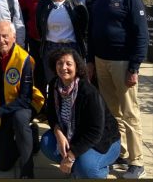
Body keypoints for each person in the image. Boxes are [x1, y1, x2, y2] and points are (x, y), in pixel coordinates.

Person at [89, 0, 148, 179]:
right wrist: (91, 60)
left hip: (123, 63)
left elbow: (141, 34)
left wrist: (134, 67)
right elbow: (93, 31)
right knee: (113, 113)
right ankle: (120, 152)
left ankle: (137, 160)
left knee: (130, 112)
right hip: (101, 62)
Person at [0, 20, 44, 179]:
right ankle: (29, 137)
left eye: (5, 36)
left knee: (20, 119)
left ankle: (27, 171)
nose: (1, 40)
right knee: (2, 165)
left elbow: (25, 99)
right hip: (2, 109)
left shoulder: (24, 58)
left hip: (25, 105)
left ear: (14, 37)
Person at [40, 48, 120, 178]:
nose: (63, 67)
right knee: (47, 143)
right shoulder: (55, 85)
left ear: (77, 66)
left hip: (104, 142)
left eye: (69, 64)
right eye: (59, 63)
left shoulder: (88, 92)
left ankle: (98, 170)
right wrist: (58, 133)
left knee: (86, 169)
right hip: (76, 136)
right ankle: (78, 168)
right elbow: (51, 114)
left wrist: (70, 156)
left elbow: (95, 132)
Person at [36, 0, 88, 85]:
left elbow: (84, 30)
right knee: (53, 83)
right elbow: (40, 28)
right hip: (50, 48)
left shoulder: (77, 4)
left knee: (72, 83)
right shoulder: (43, 5)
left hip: (71, 48)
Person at [18, 0, 50, 97]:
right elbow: (15, 6)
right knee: (38, 74)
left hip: (50, 41)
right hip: (34, 42)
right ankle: (40, 104)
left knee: (51, 72)